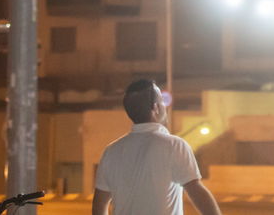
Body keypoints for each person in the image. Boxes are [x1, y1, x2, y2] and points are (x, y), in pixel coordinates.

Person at [92, 79, 221, 215]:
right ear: (156, 108)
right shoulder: (174, 146)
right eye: (162, 101)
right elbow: (197, 193)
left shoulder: (111, 152)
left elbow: (99, 203)